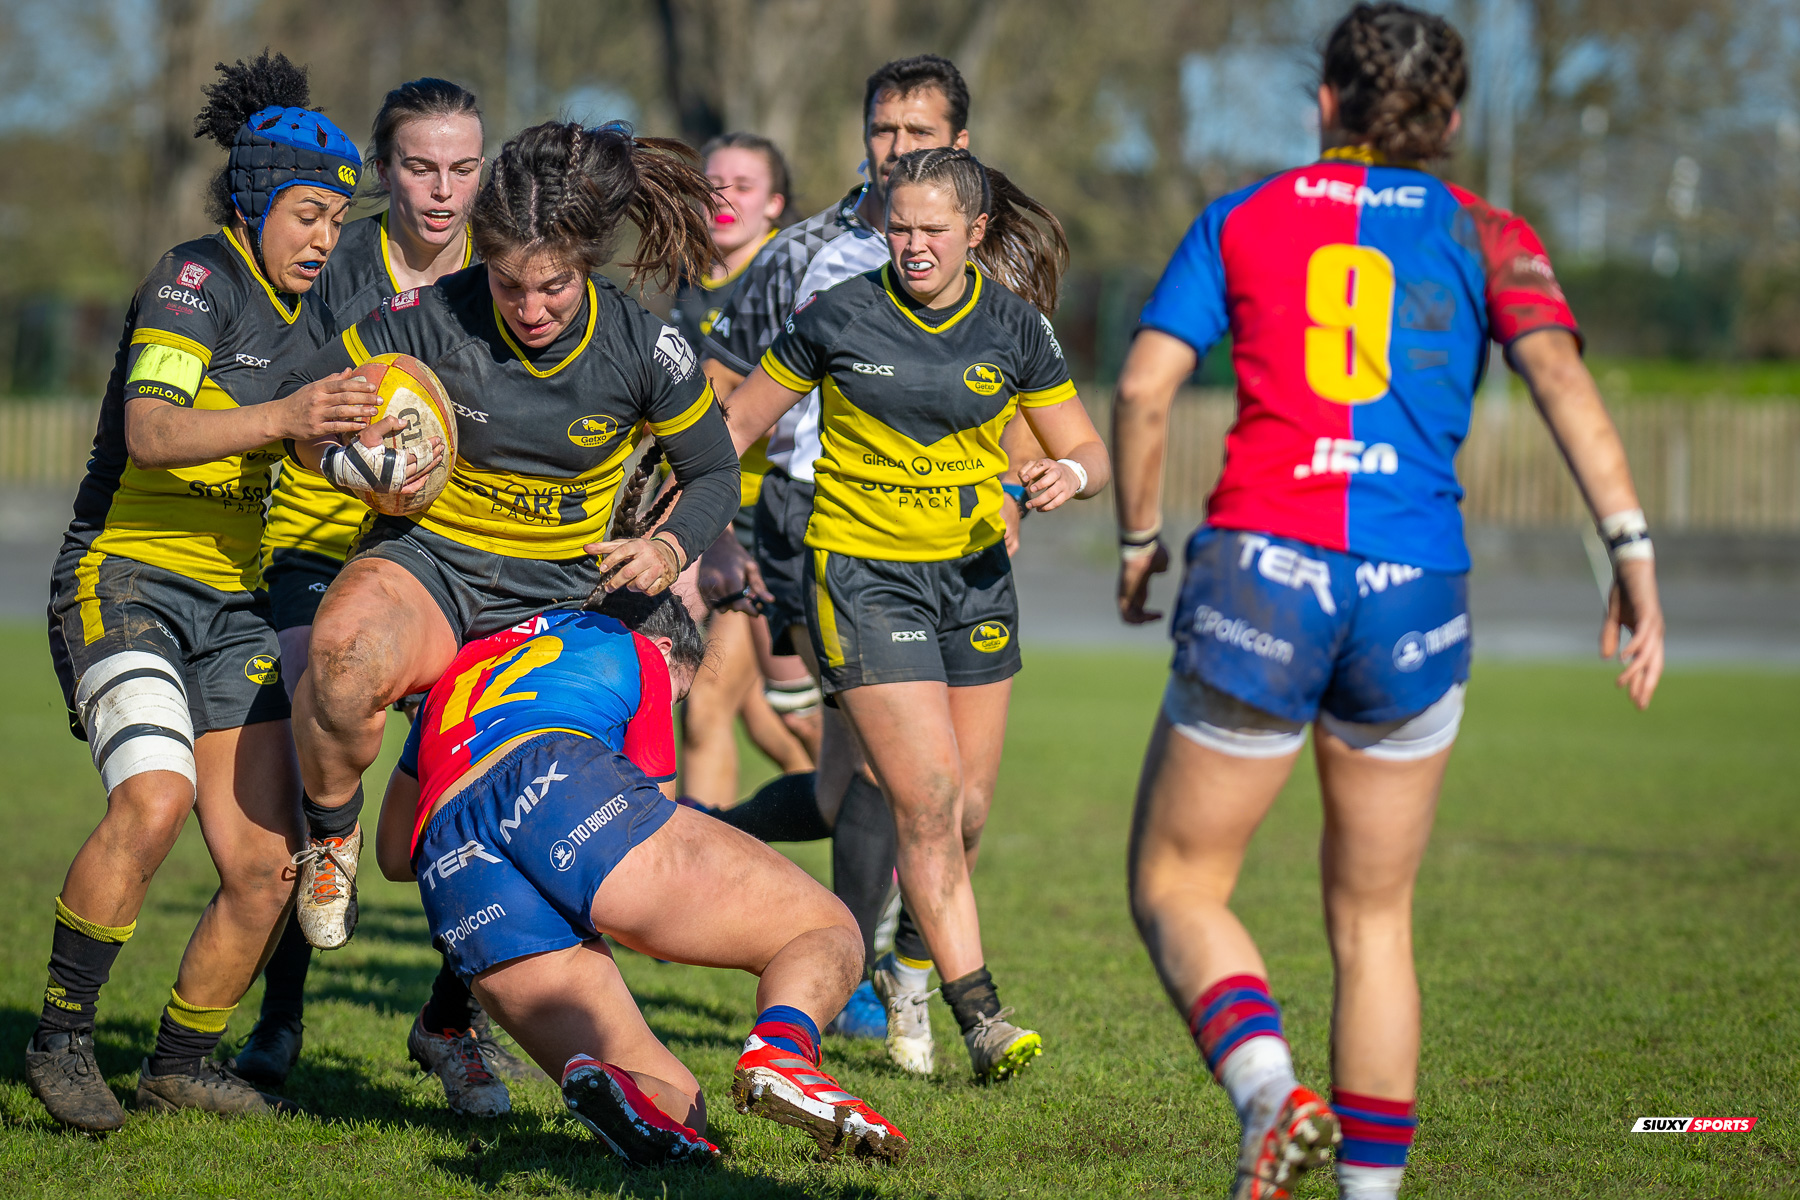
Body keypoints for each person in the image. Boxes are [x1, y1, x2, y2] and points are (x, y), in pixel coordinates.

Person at [1112, 6, 1666, 1198]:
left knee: (1178, 882)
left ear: (1325, 103)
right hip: (1417, 591)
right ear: (1452, 121)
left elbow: (1149, 385)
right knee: (1374, 922)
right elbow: (1560, 375)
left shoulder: (1246, 215)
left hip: (1267, 569)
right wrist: (1632, 555)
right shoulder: (1484, 230)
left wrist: (1140, 543)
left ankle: (1270, 1095)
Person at [274, 120, 741, 963]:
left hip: (559, 597)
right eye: (508, 285)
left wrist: (668, 551)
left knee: (515, 829)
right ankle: (329, 836)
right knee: (340, 662)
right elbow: (301, 402)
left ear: (587, 265)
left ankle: (456, 1016)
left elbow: (715, 473)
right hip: (433, 567)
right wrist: (348, 448)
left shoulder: (645, 349)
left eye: (554, 287)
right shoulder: (426, 319)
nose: (530, 309)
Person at [29, 52, 372, 1129]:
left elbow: (307, 447)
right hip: (123, 576)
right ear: (253, 203)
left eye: (337, 218)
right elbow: (154, 431)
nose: (324, 237)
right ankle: (62, 1037)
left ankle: (181, 1062)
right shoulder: (196, 278)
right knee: (154, 798)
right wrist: (287, 421)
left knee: (269, 867)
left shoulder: (312, 320)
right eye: (308, 213)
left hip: (232, 605)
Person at [369, 490, 907, 1166]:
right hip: (561, 778)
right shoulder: (633, 647)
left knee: (681, 1106)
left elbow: (394, 853)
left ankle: (613, 1088)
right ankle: (784, 1051)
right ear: (661, 644)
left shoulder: (462, 676)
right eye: (678, 694)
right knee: (825, 931)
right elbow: (653, 809)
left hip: (453, 865)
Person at [723, 146, 1111, 1083]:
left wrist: (1069, 475)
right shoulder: (839, 314)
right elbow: (737, 422)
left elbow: (1086, 447)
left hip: (974, 579)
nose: (913, 245)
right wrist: (688, 523)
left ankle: (910, 967)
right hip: (863, 577)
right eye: (899, 226)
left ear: (976, 233)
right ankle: (980, 1012)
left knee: (968, 812)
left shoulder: (1015, 327)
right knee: (927, 797)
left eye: (934, 229)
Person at [703, 53, 1019, 1045]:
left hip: (950, 540)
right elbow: (721, 387)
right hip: (815, 523)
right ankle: (868, 979)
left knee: (880, 786)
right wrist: (719, 523)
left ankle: (731, 844)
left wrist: (1021, 479)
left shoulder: (989, 250)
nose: (895, 150)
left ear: (957, 144)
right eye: (882, 131)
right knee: (880, 780)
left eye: (917, 134)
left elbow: (1021, 389)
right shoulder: (800, 253)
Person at [231, 75, 524, 1114]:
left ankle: (456, 1025)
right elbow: (261, 402)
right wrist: (345, 453)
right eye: (418, 166)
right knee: (318, 755)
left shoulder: (508, 280)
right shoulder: (328, 268)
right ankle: (281, 1015)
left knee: (497, 787)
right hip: (314, 555)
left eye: (462, 167)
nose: (442, 192)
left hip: (459, 567)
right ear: (382, 169)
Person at [667, 131, 819, 808]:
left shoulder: (792, 275)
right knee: (767, 717)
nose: (723, 198)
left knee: (705, 710)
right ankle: (872, 812)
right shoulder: (688, 276)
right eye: (713, 184)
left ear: (775, 205)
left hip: (772, 519)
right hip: (708, 512)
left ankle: (886, 824)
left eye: (744, 186)